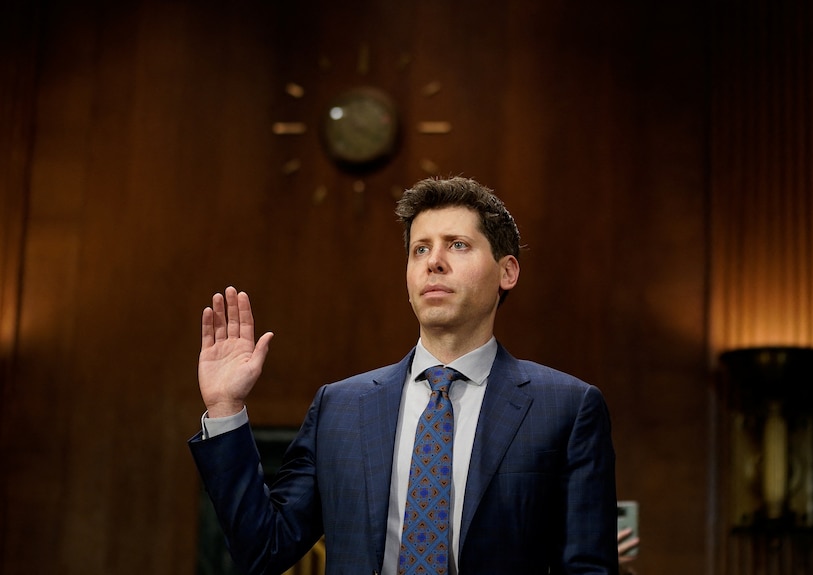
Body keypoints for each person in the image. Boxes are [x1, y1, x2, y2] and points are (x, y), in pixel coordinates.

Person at [189, 176, 619, 574]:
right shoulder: (340, 407)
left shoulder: (566, 408)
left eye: (458, 245)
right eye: (420, 249)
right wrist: (225, 408)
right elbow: (264, 549)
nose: (434, 262)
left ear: (507, 271)